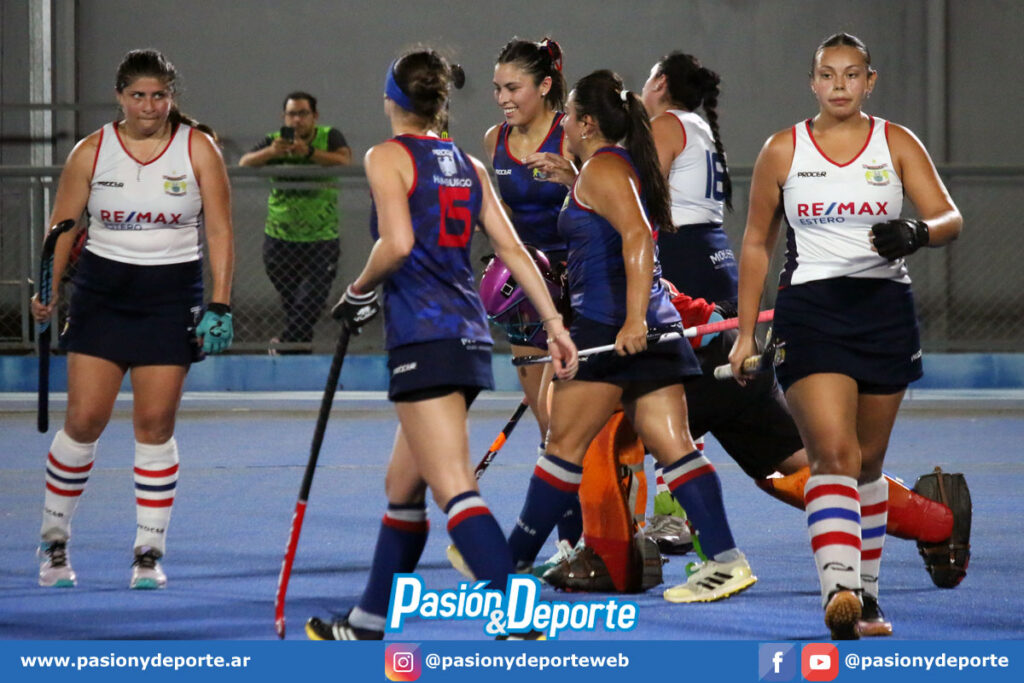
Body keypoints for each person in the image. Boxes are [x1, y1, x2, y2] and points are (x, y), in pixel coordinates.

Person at [305, 49, 577, 641]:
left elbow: (397, 244)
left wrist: (357, 290)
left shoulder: (387, 157)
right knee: (402, 488)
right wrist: (554, 323)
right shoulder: (467, 164)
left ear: (391, 98)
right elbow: (513, 249)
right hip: (469, 336)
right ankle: (369, 619)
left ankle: (516, 612)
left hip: (423, 337)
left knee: (454, 484)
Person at [729, 33, 962, 639]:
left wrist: (916, 232)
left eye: (851, 74)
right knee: (834, 453)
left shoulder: (896, 142)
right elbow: (755, 243)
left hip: (885, 311)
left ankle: (869, 596)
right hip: (811, 312)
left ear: (869, 81)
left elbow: (949, 218)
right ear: (813, 82)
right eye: (828, 75)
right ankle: (841, 590)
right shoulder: (783, 149)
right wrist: (746, 333)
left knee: (868, 463)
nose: (839, 85)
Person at [503, 69, 755, 605]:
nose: (562, 125)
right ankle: (727, 561)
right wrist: (573, 180)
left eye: (569, 116)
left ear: (587, 124)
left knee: (561, 447)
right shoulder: (604, 169)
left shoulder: (604, 169)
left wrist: (633, 321)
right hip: (649, 327)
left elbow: (638, 237)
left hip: (612, 326)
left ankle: (507, 563)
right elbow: (611, 227)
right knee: (676, 448)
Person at [30, 48, 235, 590]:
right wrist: (47, 290)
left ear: (172, 97)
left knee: (156, 424)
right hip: (102, 296)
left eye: (159, 95)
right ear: (120, 97)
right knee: (84, 420)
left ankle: (148, 552)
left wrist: (220, 303)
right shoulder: (92, 151)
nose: (149, 106)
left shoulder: (198, 148)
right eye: (138, 96)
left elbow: (219, 231)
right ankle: (54, 540)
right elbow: (62, 229)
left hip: (171, 298)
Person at [483, 36, 583, 547]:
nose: (503, 98)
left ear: (544, 86)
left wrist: (574, 178)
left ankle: (598, 537)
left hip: (579, 288)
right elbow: (500, 218)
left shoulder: (574, 134)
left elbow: (614, 199)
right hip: (527, 293)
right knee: (548, 426)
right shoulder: (494, 141)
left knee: (572, 424)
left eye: (513, 88)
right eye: (498, 88)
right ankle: (570, 543)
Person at [239, 92, 351, 354]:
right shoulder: (274, 140)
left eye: (303, 114)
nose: (297, 120)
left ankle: (286, 345)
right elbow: (244, 163)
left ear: (315, 116)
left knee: (311, 300)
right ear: (284, 117)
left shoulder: (329, 136)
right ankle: (299, 348)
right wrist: (271, 152)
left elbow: (344, 161)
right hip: (279, 237)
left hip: (321, 238)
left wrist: (308, 152)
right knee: (294, 303)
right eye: (291, 114)